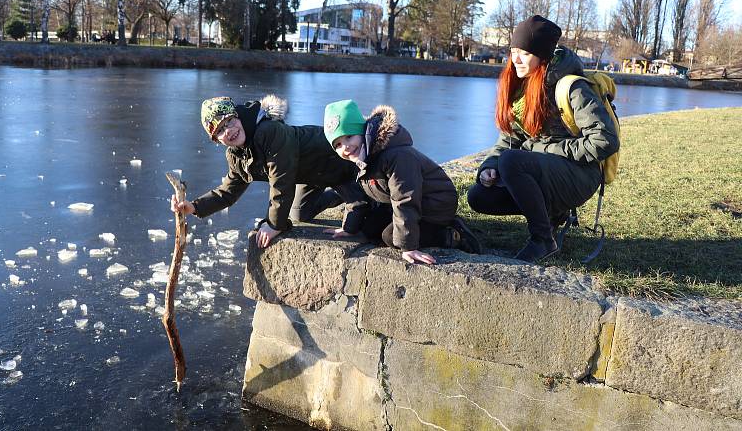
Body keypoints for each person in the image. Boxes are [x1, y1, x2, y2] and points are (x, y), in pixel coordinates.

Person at [467, 15, 620, 262]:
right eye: (513, 51)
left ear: (542, 56)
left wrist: (543, 147)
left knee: (512, 162)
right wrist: (488, 167)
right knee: (479, 196)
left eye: (524, 53)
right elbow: (509, 139)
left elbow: (604, 140)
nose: (515, 59)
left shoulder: (572, 88)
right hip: (549, 171)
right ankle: (553, 215)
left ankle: (543, 240)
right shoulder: (522, 86)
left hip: (581, 175)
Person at [170, 95, 367, 248]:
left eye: (229, 121)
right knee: (299, 215)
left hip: (336, 163)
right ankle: (336, 197)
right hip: (310, 176)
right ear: (216, 140)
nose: (228, 131)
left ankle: (355, 192)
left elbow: (282, 179)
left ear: (237, 115)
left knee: (359, 221)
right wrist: (194, 207)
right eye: (220, 131)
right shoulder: (237, 155)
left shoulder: (269, 132)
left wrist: (274, 225)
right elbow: (228, 192)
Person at [322, 99, 479, 265]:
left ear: (363, 131)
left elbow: (405, 198)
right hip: (399, 203)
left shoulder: (397, 156)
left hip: (434, 204)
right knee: (368, 229)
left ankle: (452, 234)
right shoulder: (361, 156)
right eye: (338, 144)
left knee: (391, 237)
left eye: (349, 136)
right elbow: (359, 196)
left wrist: (408, 246)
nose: (345, 147)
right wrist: (349, 228)